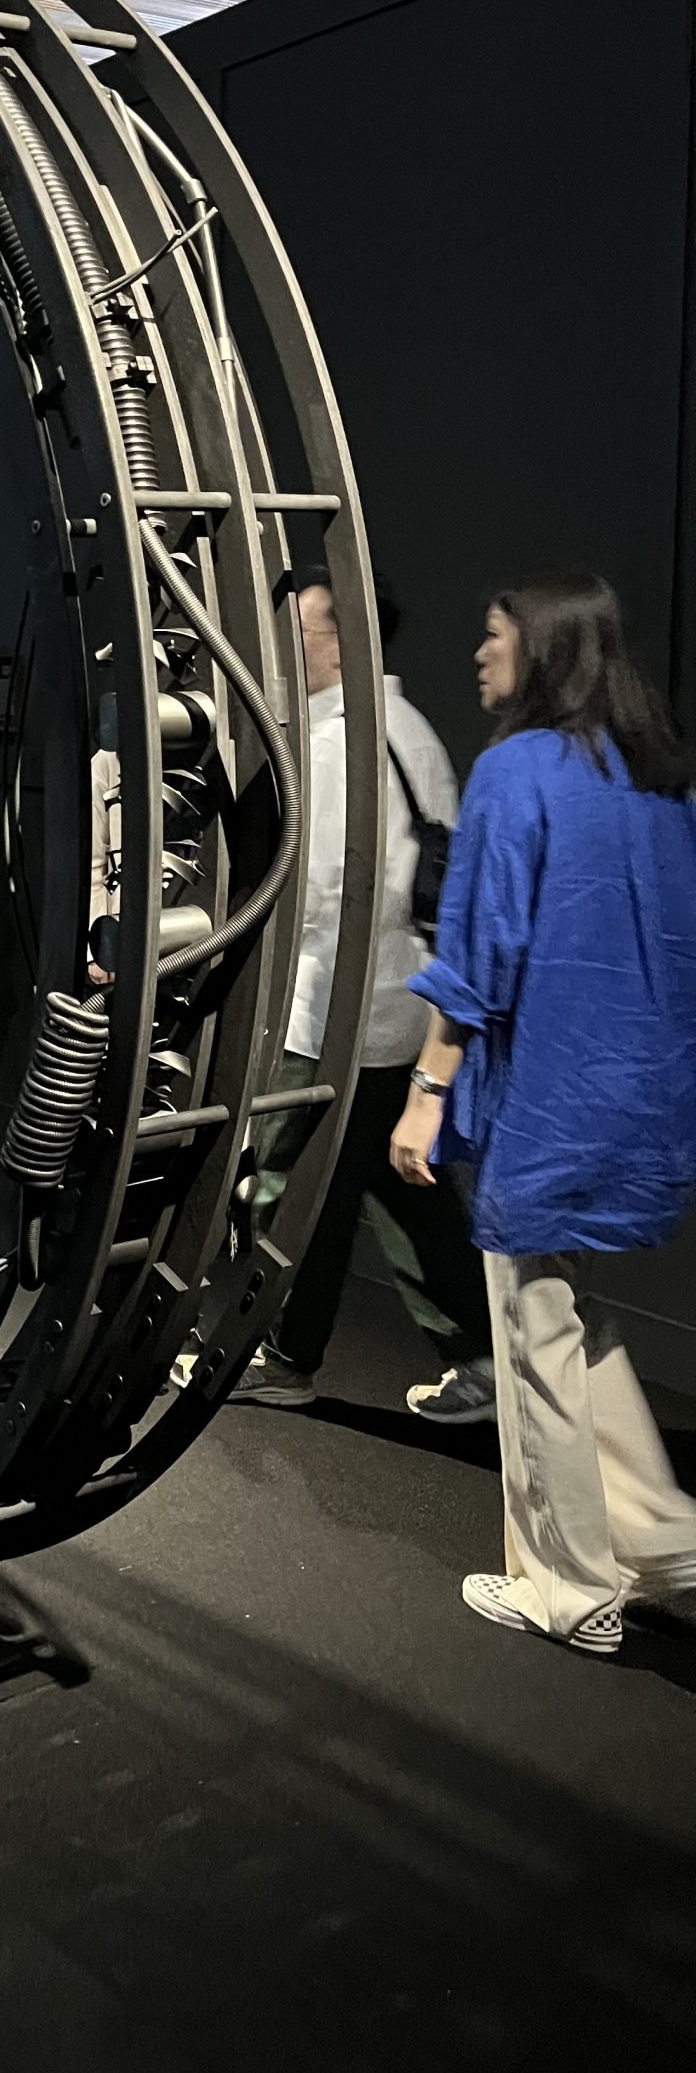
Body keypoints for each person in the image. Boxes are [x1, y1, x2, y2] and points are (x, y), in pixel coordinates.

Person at [392, 570, 696, 1657]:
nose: (479, 655)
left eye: (493, 636)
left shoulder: (516, 770)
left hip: (554, 1100)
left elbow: (479, 958)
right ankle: (661, 1536)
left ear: (545, 649)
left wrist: (427, 1095)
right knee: (571, 1307)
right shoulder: (658, 779)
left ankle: (569, 1584)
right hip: (645, 1094)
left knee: (531, 1331)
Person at [232, 569, 495, 1416]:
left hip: (339, 1011)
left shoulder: (343, 743)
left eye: (299, 632)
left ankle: (277, 1356)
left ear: (343, 640)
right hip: (398, 1006)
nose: (283, 649)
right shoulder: (403, 730)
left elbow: (333, 893)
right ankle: (480, 1359)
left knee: (284, 1190)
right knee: (400, 1193)